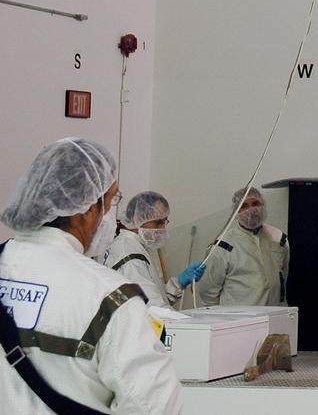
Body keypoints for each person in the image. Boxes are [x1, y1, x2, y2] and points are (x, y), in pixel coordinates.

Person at [0, 138, 182, 413]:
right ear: (85, 209)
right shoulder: (111, 297)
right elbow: (155, 407)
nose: (112, 216)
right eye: (111, 201)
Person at [104, 190, 206, 308]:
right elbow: (153, 309)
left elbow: (154, 296)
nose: (163, 229)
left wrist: (179, 283)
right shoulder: (130, 256)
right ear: (138, 219)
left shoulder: (135, 246)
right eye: (158, 223)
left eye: (165, 222)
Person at [197, 186, 289, 306]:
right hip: (238, 316)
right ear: (236, 211)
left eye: (255, 203)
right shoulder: (223, 245)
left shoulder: (278, 238)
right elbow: (208, 293)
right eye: (244, 206)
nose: (251, 210)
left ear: (263, 205)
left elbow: (284, 276)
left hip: (274, 313)